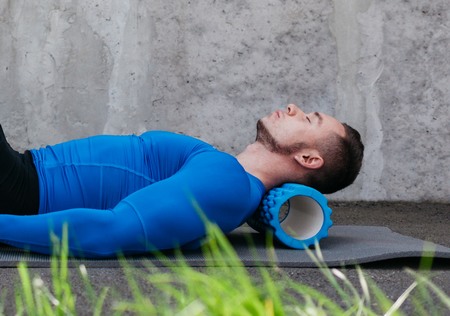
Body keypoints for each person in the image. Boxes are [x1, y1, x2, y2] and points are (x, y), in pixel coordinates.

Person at [0, 104, 363, 258]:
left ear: (309, 159)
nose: (292, 108)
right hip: (20, 173)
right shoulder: (231, 180)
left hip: (20, 190)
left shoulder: (230, 186)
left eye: (308, 119)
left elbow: (111, 232)